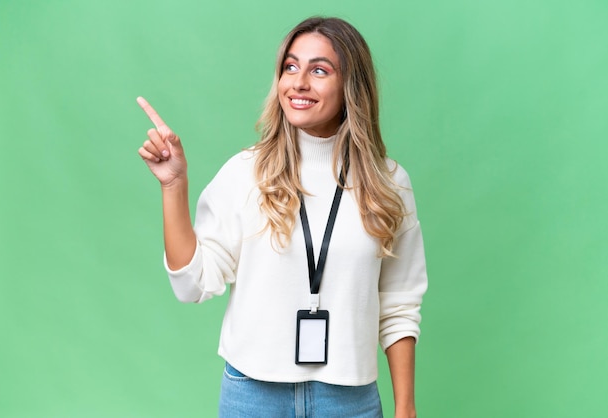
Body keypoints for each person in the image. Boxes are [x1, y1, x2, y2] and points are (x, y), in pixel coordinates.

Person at [137, 16, 427, 418]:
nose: (298, 82)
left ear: (351, 86)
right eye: (290, 67)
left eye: (319, 70)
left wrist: (406, 406)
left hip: (349, 400)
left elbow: (399, 303)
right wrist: (174, 187)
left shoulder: (389, 183)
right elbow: (192, 284)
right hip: (253, 396)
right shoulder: (246, 173)